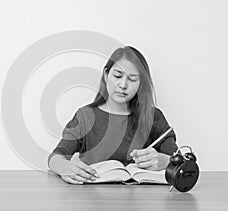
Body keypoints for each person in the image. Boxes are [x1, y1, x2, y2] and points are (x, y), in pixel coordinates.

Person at [48, 46, 178, 184]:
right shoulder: (85, 116)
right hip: (93, 200)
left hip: (142, 201)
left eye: (132, 79)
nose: (123, 85)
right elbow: (56, 156)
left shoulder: (153, 116)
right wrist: (64, 167)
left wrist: (166, 161)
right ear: (106, 75)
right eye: (117, 76)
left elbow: (182, 162)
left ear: (141, 84)